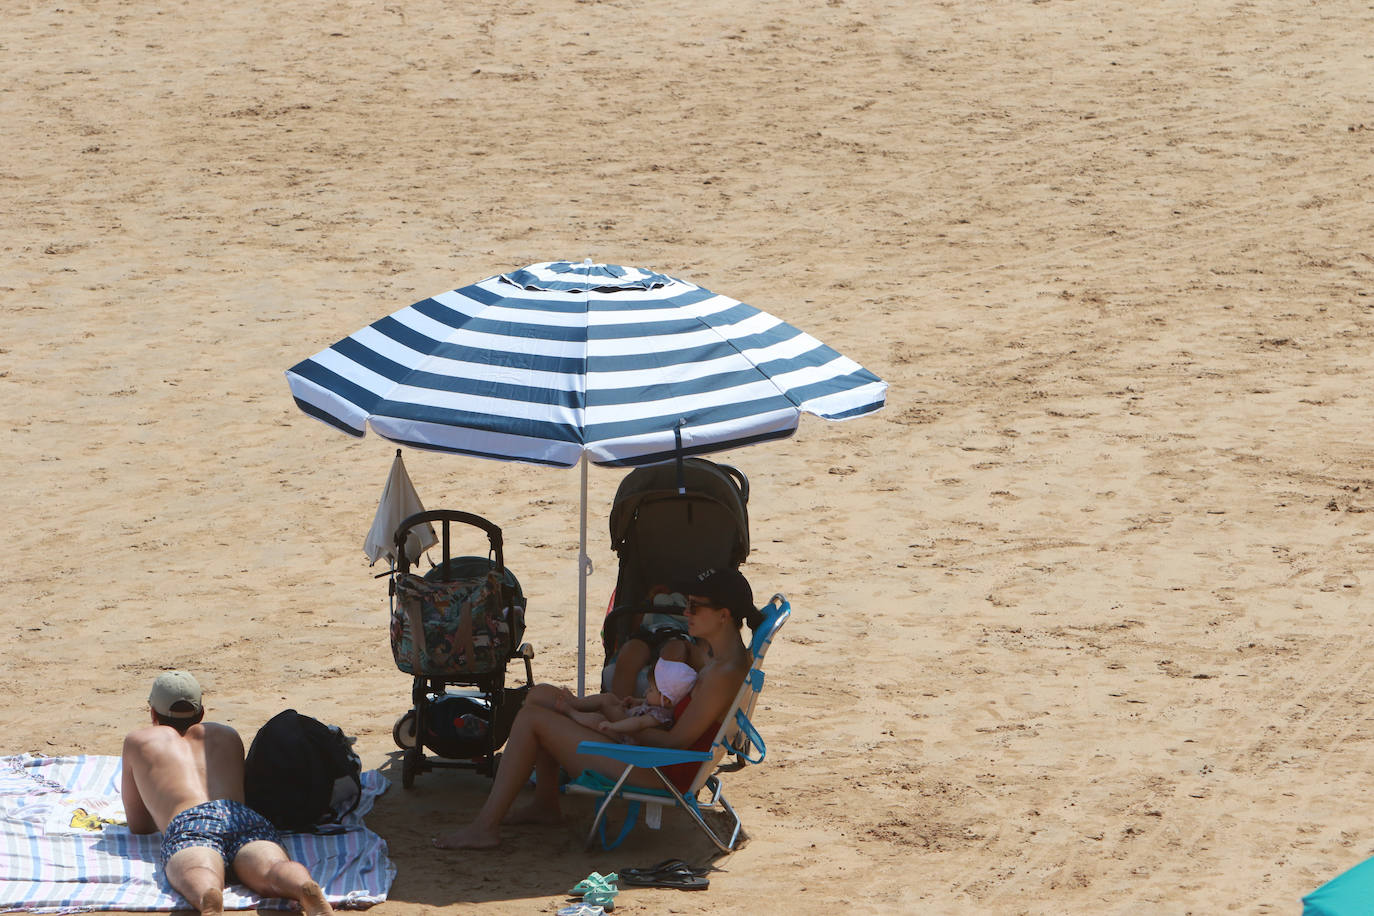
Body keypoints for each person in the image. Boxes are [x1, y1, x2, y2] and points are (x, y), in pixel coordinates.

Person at [434, 567, 761, 850]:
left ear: (724, 615)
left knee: (534, 718)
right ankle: (545, 804)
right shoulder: (724, 658)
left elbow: (676, 743)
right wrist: (635, 710)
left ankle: (485, 828)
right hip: (652, 750)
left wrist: (618, 721)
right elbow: (683, 721)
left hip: (658, 770)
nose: (685, 612)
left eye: (694, 606)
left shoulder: (723, 675)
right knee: (541, 695)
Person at [120, 671, 334, 916]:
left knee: (198, 868)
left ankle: (207, 895)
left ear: (153, 714)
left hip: (190, 822)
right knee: (273, 866)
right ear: (201, 713)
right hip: (239, 815)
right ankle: (301, 886)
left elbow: (139, 825)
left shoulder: (139, 741)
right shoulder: (227, 734)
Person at [555, 656, 699, 740]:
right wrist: (638, 702)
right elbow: (650, 703)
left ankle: (571, 712)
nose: (646, 692)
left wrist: (613, 726)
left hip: (626, 738)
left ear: (666, 699)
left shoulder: (659, 716)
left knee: (599, 720)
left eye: (651, 689)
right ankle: (576, 703)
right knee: (609, 698)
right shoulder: (663, 705)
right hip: (627, 723)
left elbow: (638, 724)